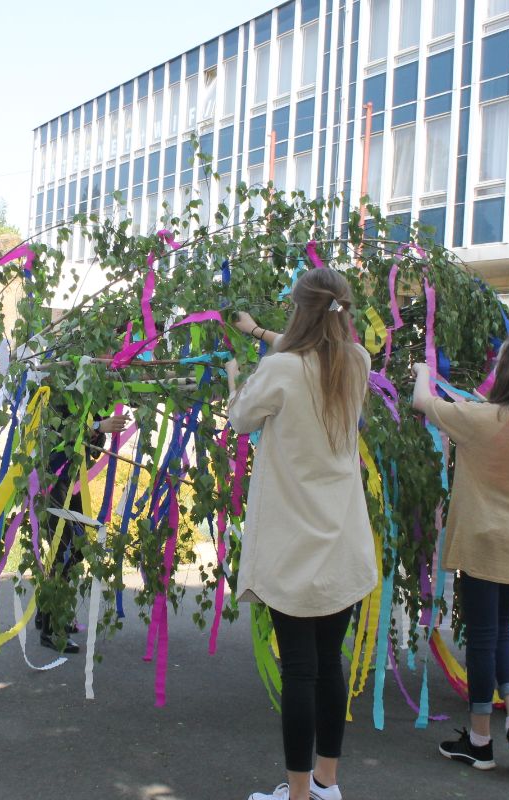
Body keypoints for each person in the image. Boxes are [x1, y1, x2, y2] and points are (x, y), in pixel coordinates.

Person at [227, 269, 377, 800]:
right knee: (328, 664)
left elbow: (240, 418)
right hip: (343, 544)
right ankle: (325, 785)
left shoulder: (280, 370)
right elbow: (314, 351)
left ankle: (296, 795)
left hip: (292, 547)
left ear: (297, 308)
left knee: (298, 670)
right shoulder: (356, 362)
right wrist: (259, 332)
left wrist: (235, 376)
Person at [411, 323, 509, 770]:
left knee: (481, 636)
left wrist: (423, 371)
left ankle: (479, 741)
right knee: (500, 628)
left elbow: (423, 402)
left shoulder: (482, 419)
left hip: (483, 540)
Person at [35, 393, 130, 652]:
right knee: (62, 549)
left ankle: (45, 613)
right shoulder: (59, 386)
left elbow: (94, 442)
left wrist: (100, 429)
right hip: (51, 476)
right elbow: (58, 427)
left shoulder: (89, 390)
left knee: (76, 547)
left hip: (71, 478)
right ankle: (51, 630)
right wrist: (98, 426)